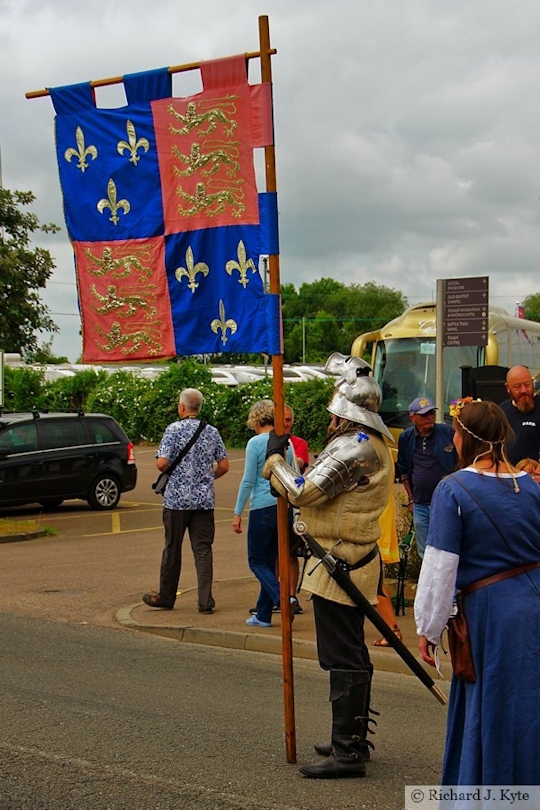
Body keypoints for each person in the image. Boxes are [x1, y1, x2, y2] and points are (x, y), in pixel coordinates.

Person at [263, 352, 395, 779]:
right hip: (344, 557)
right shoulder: (364, 443)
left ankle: (348, 752)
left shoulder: (358, 446)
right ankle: (351, 738)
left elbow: (301, 492)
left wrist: (276, 463)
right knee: (350, 652)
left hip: (342, 561)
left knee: (342, 656)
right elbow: (320, 488)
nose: (330, 416)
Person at [415, 397, 540, 786]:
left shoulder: (453, 489)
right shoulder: (531, 487)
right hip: (534, 606)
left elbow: (440, 566)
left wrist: (429, 628)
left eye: (454, 432)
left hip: (492, 616)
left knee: (496, 707)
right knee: (528, 706)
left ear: (466, 438)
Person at [143, 388, 229, 613]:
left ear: (182, 407)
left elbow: (162, 464)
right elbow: (224, 466)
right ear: (198, 407)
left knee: (172, 548)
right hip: (203, 501)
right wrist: (207, 478)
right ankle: (205, 601)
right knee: (203, 550)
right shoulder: (211, 431)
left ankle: (166, 596)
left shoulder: (172, 430)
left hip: (176, 501)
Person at [232, 400, 294, 628]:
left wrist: (237, 512)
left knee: (256, 561)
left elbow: (248, 480)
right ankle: (263, 614)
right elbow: (293, 473)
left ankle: (283, 598)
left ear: (256, 419)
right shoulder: (284, 442)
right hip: (282, 505)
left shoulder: (255, 443)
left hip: (261, 507)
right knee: (269, 562)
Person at [396, 397, 457, 558]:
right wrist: (411, 499)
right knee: (425, 551)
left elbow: (460, 461)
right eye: (424, 415)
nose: (430, 417)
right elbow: (403, 470)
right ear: (413, 417)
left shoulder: (447, 432)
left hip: (445, 503)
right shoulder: (406, 438)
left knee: (447, 547)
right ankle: (427, 582)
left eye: (431, 413)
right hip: (420, 504)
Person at [284, 404, 310, 614]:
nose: (286, 423)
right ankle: (277, 593)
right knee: (274, 555)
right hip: (271, 504)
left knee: (291, 554)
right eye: (282, 419)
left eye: (289, 419)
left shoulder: (299, 443)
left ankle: (292, 595)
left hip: (292, 503)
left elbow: (298, 463)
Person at [500, 365, 540, 464]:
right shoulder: (502, 411)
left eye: (527, 385)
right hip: (509, 474)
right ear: (507, 388)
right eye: (517, 387)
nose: (524, 390)